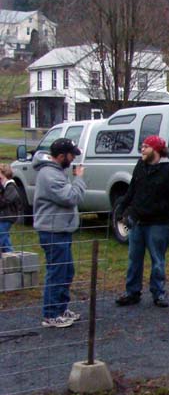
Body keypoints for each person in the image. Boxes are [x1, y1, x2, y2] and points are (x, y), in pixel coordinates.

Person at [115, 135, 169, 308]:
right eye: (142, 146)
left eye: (146, 146)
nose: (142, 149)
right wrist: (122, 206)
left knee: (157, 260)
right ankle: (132, 292)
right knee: (134, 259)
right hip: (137, 221)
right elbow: (132, 189)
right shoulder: (140, 166)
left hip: (159, 223)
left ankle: (158, 293)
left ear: (156, 150)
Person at [33, 138, 86, 328]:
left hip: (61, 229)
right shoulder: (49, 174)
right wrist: (79, 178)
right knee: (56, 272)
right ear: (62, 156)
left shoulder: (56, 172)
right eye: (71, 155)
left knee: (66, 270)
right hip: (52, 230)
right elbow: (71, 197)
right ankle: (51, 313)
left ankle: (61, 308)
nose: (73, 159)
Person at [0, 163, 22, 252]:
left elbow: (5, 202)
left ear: (5, 175)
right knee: (4, 239)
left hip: (7, 217)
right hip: (3, 216)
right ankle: (9, 259)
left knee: (2, 237)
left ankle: (11, 257)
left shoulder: (11, 187)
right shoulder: (5, 187)